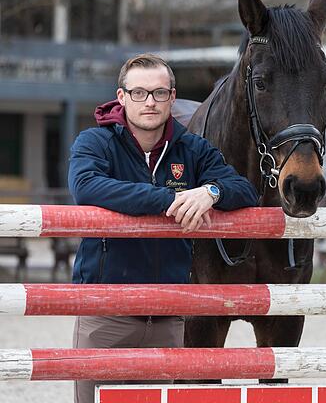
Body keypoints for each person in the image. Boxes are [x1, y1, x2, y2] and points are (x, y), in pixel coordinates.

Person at [68, 53, 259, 402]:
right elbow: (87, 186)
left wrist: (211, 192)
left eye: (159, 93)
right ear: (122, 97)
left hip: (169, 314)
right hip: (107, 312)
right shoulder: (95, 143)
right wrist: (167, 200)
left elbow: (245, 189)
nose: (150, 102)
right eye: (139, 93)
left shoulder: (193, 149)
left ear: (172, 97)